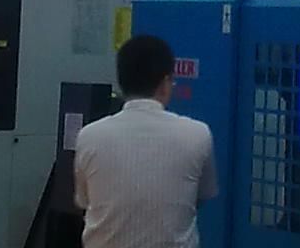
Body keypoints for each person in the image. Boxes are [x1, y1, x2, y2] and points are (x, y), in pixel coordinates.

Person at [74, 35, 218, 248]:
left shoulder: (89, 136)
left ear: (121, 82)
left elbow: (84, 201)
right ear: (165, 83)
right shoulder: (198, 134)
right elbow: (202, 195)